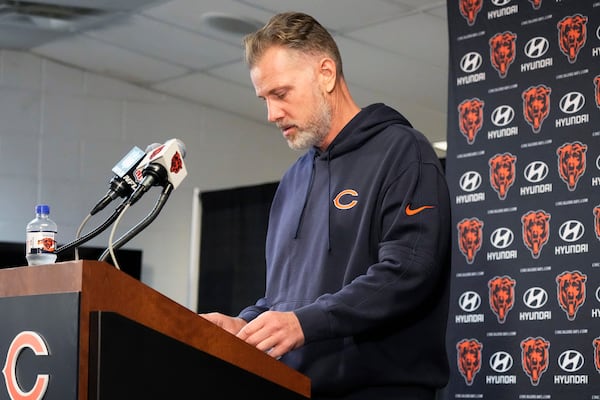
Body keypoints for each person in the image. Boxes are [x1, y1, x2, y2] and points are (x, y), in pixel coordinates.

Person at [201, 11, 451, 400]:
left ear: (326, 74)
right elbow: (283, 298)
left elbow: (407, 272)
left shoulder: (403, 151)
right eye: (264, 99)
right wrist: (245, 325)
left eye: (281, 94)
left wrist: (305, 323)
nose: (271, 114)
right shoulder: (293, 181)